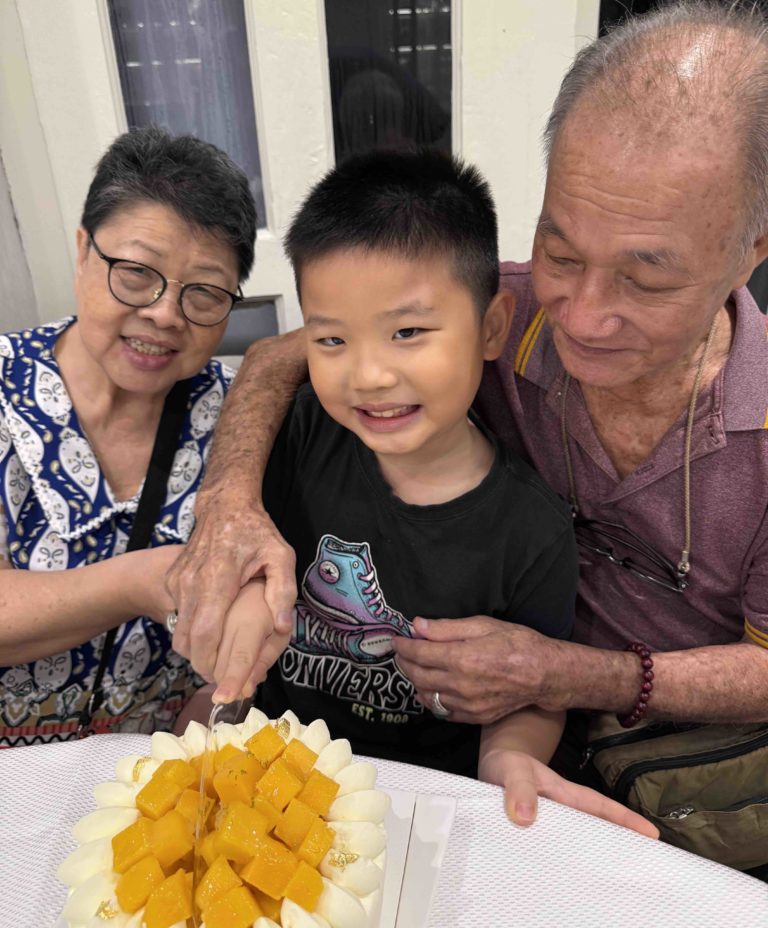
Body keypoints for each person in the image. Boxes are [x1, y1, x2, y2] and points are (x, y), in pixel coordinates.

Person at [166, 0, 768, 819]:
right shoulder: (491, 312)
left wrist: (569, 674)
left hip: (669, 765)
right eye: (560, 249)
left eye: (646, 278)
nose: (582, 314)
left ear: (751, 251)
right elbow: (290, 354)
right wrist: (229, 504)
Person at [210, 149, 655, 835]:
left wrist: (510, 758)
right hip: (274, 776)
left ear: (492, 328)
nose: (369, 375)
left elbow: (528, 696)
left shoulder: (529, 527)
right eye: (331, 338)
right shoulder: (298, 435)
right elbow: (241, 552)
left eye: (408, 333)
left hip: (426, 808)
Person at [0, 125, 269, 745]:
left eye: (203, 293)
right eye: (137, 272)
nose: (165, 313)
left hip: (149, 791)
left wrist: (223, 690)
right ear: (82, 251)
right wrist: (137, 583)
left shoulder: (238, 419)